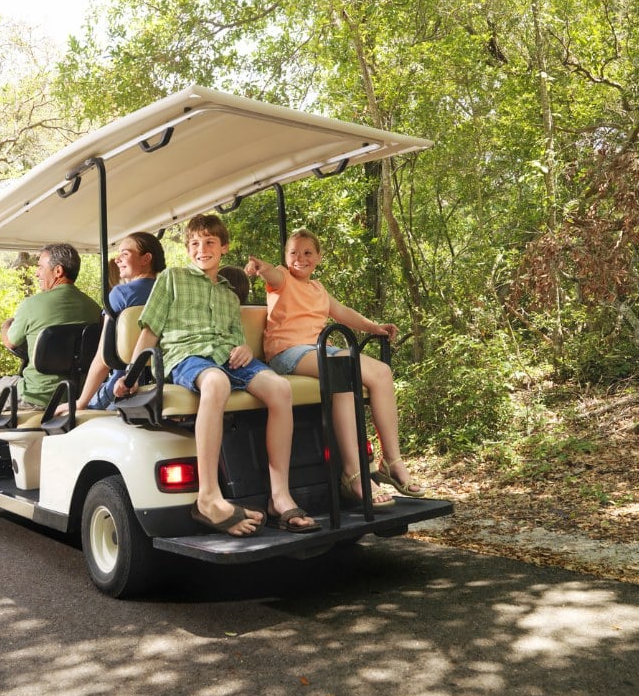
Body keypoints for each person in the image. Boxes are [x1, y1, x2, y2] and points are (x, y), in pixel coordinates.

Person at [117, 213, 319, 537]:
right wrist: (131, 376)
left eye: (210, 242)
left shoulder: (228, 294)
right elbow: (151, 330)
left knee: (280, 388)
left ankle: (279, 496)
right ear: (187, 249)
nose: (202, 249)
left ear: (224, 247)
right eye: (195, 243)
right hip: (187, 356)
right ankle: (208, 497)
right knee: (216, 381)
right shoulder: (172, 278)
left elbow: (236, 338)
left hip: (230, 357)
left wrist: (246, 350)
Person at [245, 229, 428, 504]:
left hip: (320, 350)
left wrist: (374, 327)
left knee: (381, 372)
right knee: (343, 367)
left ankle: (392, 461)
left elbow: (342, 313)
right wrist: (261, 268)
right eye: (293, 252)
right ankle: (354, 475)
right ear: (285, 257)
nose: (300, 258)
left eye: (307, 253)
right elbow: (271, 274)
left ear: (318, 257)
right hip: (287, 353)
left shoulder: (318, 289)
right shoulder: (282, 279)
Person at [0, 243, 102, 467]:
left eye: (40, 266)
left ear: (58, 271)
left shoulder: (32, 305)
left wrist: (6, 324)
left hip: (36, 396)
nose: (36, 272)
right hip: (75, 394)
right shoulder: (93, 308)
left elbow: (10, 341)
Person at [71, 232, 166, 411]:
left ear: (146, 258)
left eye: (125, 254)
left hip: (124, 382)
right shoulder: (169, 290)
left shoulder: (121, 295)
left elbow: (103, 357)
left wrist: (81, 402)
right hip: (162, 377)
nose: (117, 260)